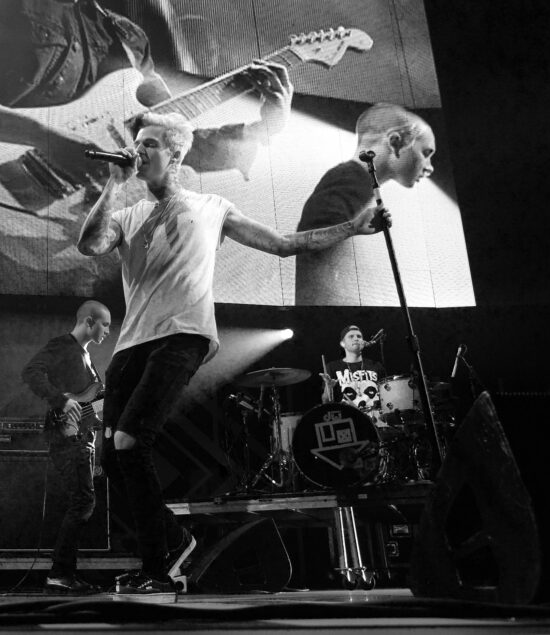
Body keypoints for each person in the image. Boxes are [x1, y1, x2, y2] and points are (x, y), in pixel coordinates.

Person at [77, 111, 390, 594]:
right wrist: (114, 184)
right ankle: (176, 540)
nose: (138, 151)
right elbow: (90, 244)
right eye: (136, 143)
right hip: (129, 346)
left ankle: (157, 567)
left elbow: (284, 244)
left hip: (182, 336)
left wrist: (351, 227)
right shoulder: (125, 214)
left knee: (131, 443)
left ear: (176, 154)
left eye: (150, 145)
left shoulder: (211, 205)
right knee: (112, 461)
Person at [0, 0, 292, 295]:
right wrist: (48, 139)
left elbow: (168, 145)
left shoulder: (128, 37)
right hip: (18, 252)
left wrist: (262, 130)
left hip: (114, 248)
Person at [295, 103, 436, 305]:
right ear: (395, 142)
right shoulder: (349, 181)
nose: (429, 168)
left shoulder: (356, 183)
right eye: (426, 153)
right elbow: (319, 253)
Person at [20, 300, 111, 594]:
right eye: (105, 324)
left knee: (82, 502)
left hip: (82, 438)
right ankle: (60, 573)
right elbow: (31, 371)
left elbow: (92, 408)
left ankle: (63, 573)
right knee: (83, 502)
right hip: (67, 436)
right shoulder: (63, 345)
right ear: (88, 321)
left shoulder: (87, 359)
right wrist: (62, 400)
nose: (108, 331)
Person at [320, 325, 388, 412]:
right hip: (348, 419)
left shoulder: (376, 366)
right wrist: (328, 388)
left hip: (376, 420)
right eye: (351, 336)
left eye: (359, 336)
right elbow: (326, 403)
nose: (356, 338)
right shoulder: (332, 367)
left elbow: (387, 395)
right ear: (342, 343)